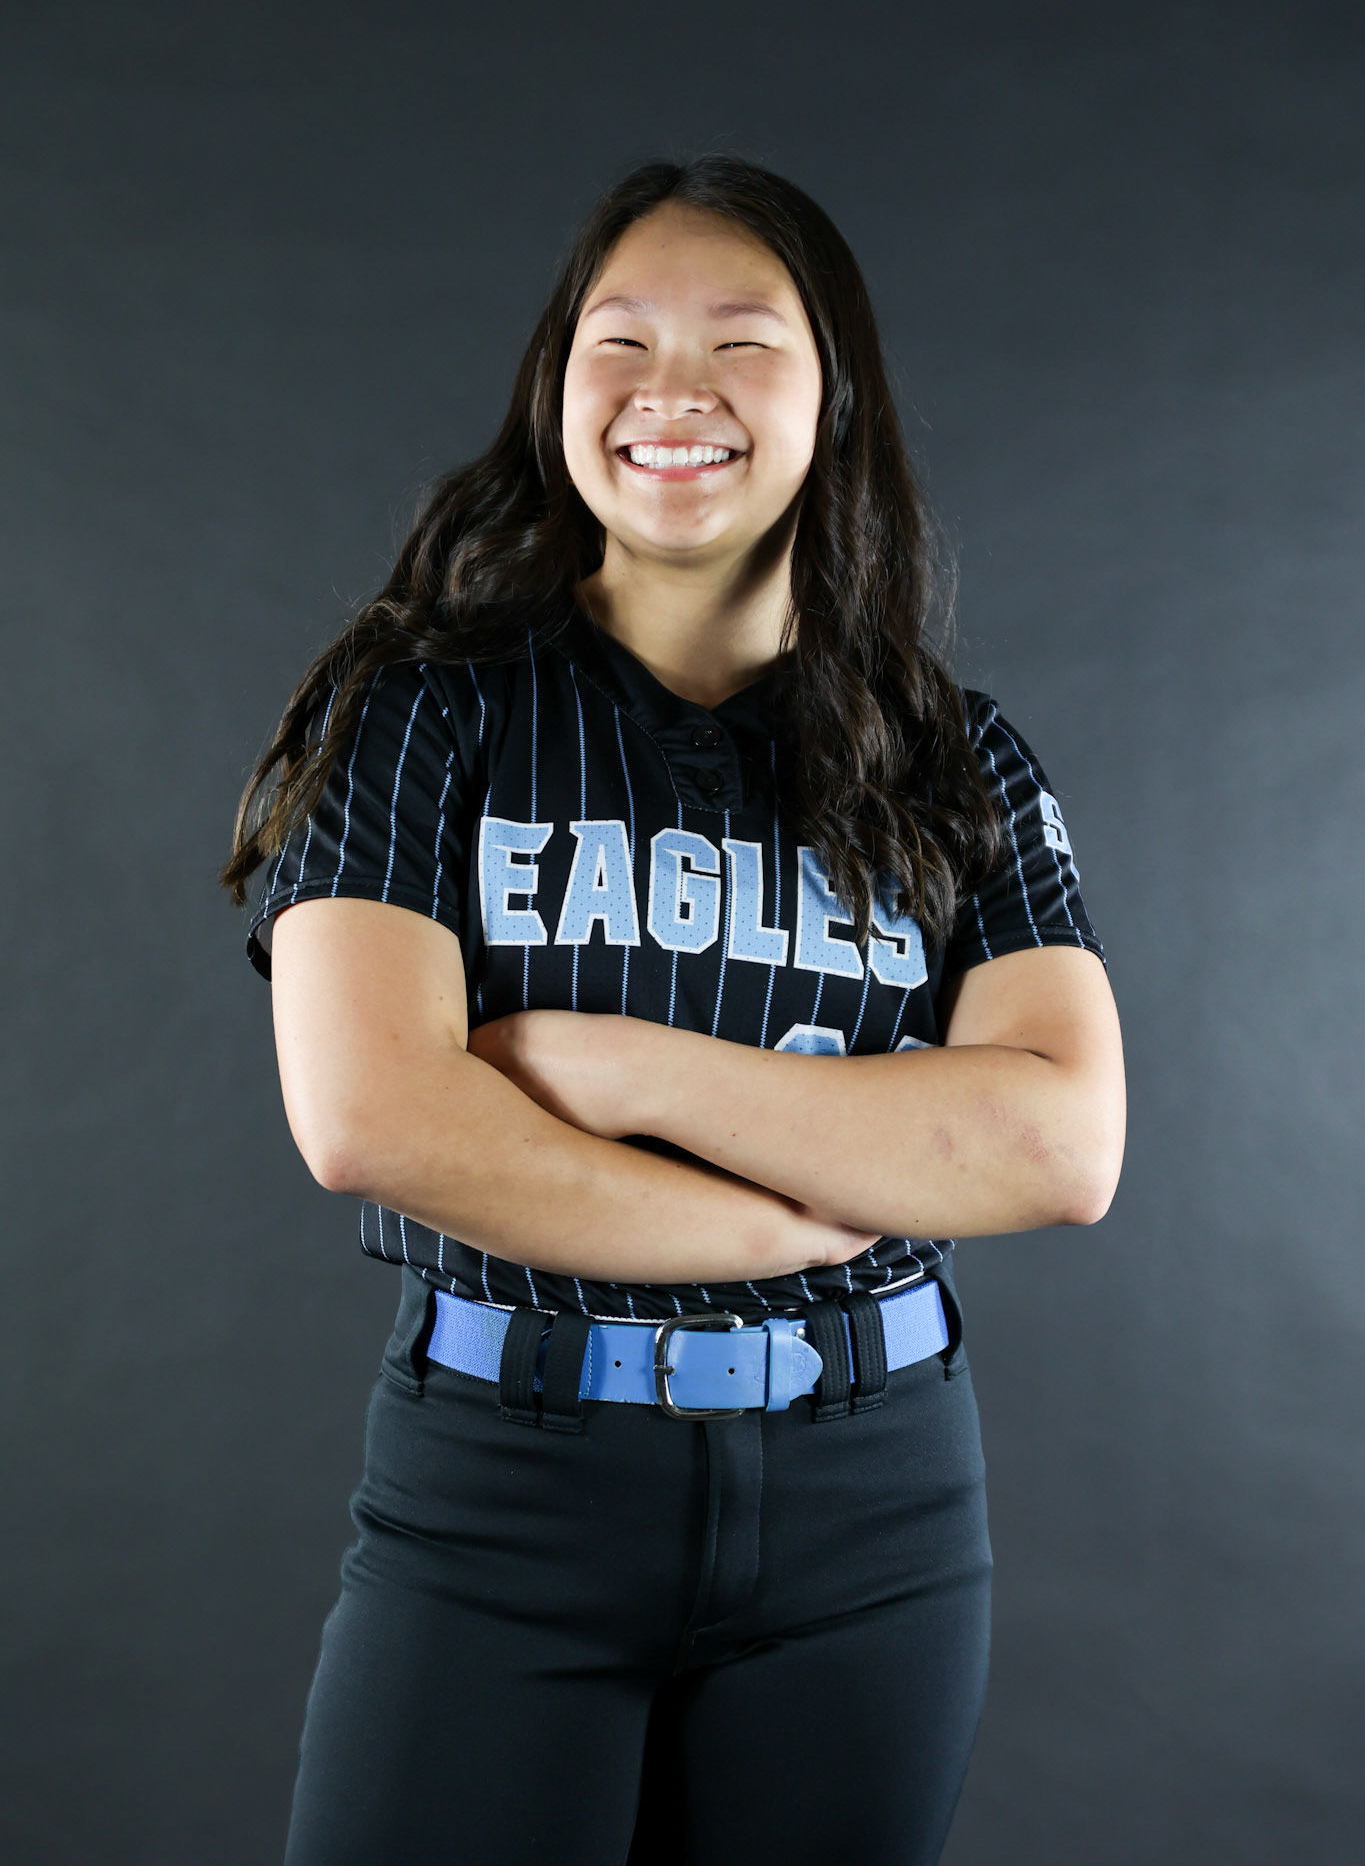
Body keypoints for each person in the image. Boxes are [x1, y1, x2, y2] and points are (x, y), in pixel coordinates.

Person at [221, 154, 1125, 1866]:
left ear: (833, 396)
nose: (669, 393)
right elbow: (375, 1118)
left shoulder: (954, 757)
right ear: (556, 384)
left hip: (877, 1513)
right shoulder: (422, 711)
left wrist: (601, 1064)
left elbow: (1056, 1141)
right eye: (617, 340)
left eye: (740, 343)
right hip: (504, 1489)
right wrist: (802, 1223)